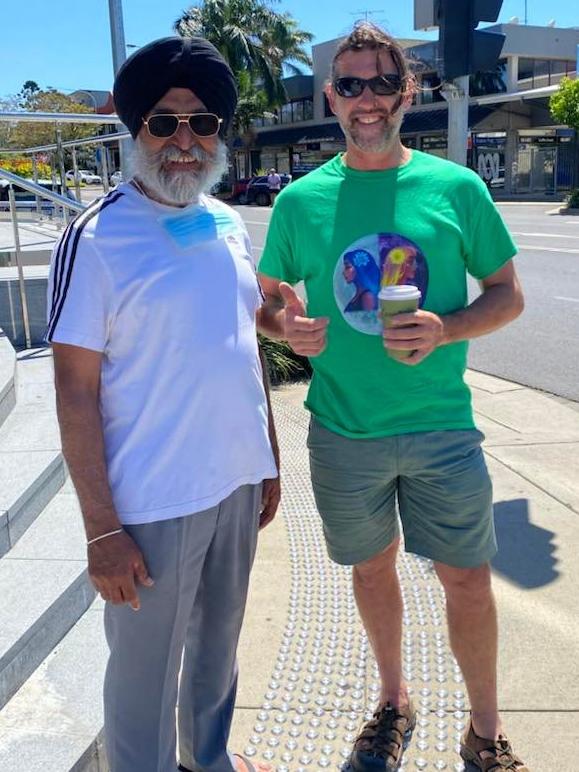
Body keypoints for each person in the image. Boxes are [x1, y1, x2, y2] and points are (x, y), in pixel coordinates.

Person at [257, 21, 528, 772]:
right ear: (330, 96)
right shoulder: (300, 202)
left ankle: (483, 730)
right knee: (370, 570)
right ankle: (392, 701)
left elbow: (506, 296)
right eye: (350, 84)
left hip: (441, 427)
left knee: (466, 578)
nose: (366, 99)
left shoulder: (455, 188)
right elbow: (265, 299)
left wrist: (446, 329)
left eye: (382, 82)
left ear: (406, 91)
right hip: (343, 431)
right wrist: (285, 326)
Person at [46, 36, 279, 772]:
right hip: (151, 503)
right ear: (135, 128)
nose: (185, 141)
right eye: (165, 122)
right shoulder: (96, 237)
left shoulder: (224, 222)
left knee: (217, 652)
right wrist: (99, 530)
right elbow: (74, 389)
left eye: (202, 123)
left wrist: (267, 457)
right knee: (144, 680)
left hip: (236, 483)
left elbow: (243, 343)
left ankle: (205, 761)